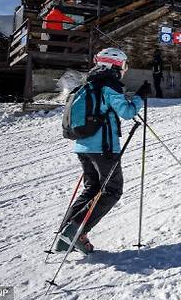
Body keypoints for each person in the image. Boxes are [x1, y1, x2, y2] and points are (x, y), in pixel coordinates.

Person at [57, 48, 151, 253]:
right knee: (112, 190)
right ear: (115, 66)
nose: (124, 71)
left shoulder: (89, 83)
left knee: (91, 189)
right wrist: (140, 97)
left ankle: (65, 236)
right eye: (123, 66)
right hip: (104, 148)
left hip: (83, 146)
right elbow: (127, 112)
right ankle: (76, 230)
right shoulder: (109, 85)